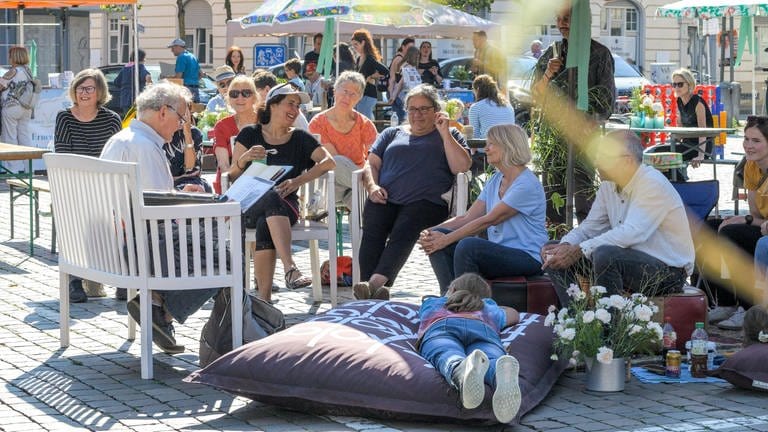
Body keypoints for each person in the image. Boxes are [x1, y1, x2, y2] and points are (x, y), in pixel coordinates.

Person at [100, 82, 214, 354]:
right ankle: (162, 312)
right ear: (164, 112)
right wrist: (197, 205)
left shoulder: (123, 139)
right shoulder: (146, 147)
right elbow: (160, 214)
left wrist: (178, 193)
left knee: (206, 241)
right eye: (181, 117)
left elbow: (149, 199)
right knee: (223, 255)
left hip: (107, 244)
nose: (181, 125)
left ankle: (156, 303)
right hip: (136, 248)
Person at [541, 131, 694, 307]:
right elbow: (590, 227)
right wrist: (566, 245)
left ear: (627, 160)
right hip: (628, 262)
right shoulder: (609, 185)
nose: (597, 162)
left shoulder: (652, 183)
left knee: (605, 254)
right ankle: (573, 320)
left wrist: (579, 249)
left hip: (668, 273)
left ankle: (609, 329)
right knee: (551, 251)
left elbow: (631, 233)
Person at [353, 84, 472, 301]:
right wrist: (372, 186)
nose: (417, 115)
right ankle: (375, 292)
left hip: (427, 202)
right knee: (373, 225)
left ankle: (372, 285)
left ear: (436, 110)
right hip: (386, 197)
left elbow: (461, 167)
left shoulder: (450, 133)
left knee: (405, 228)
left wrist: (444, 133)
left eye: (424, 109)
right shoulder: (391, 133)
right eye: (412, 109)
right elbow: (371, 164)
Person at [227, 83, 335, 303]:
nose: (296, 110)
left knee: (267, 212)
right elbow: (232, 175)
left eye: (298, 106)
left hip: (286, 207)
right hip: (249, 205)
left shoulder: (300, 138)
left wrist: (298, 180)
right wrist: (244, 158)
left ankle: (264, 302)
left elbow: (329, 162)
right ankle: (290, 267)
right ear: (273, 105)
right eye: (291, 104)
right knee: (268, 196)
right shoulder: (250, 133)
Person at [419, 124, 546, 295]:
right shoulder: (495, 179)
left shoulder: (526, 184)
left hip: (528, 256)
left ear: (508, 146)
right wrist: (430, 233)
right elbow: (467, 218)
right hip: (501, 252)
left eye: (491, 144)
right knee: (440, 237)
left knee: (468, 246)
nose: (485, 149)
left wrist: (445, 239)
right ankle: (448, 297)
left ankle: (467, 303)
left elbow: (489, 220)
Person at [531, 3, 615, 224]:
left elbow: (606, 103)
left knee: (585, 197)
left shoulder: (599, 54)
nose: (561, 24)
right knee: (553, 198)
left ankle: (583, 251)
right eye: (558, 19)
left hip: (584, 138)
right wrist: (549, 72)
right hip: (553, 138)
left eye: (567, 18)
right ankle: (555, 248)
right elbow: (535, 95)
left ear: (581, 21)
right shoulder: (552, 53)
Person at [54, 68, 123, 303]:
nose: (84, 93)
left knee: (120, 223)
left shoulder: (111, 119)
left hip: (104, 185)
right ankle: (74, 280)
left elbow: (117, 155)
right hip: (74, 184)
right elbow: (63, 155)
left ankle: (122, 279)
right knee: (73, 222)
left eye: (89, 88)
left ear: (99, 92)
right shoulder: (64, 117)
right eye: (80, 88)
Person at [417, 273, 521, 424]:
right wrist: (493, 305)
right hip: (483, 329)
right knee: (489, 357)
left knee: (446, 352)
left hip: (443, 326)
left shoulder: (434, 302)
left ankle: (461, 368)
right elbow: (514, 315)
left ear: (452, 289)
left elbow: (421, 313)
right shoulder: (488, 307)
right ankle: (498, 371)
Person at [702, 115, 768, 330]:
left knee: (733, 234)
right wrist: (747, 219)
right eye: (746, 139)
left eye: (756, 141)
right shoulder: (751, 166)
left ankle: (748, 309)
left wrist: (748, 220)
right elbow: (756, 214)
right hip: (763, 226)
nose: (749, 146)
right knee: (711, 228)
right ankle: (725, 303)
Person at [308, 71, 377, 208]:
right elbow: (331, 161)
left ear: (360, 98)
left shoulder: (365, 124)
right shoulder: (318, 123)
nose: (347, 97)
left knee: (364, 208)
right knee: (337, 162)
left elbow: (374, 158)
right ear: (334, 90)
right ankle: (366, 188)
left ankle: (364, 192)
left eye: (353, 94)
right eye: (345, 91)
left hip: (354, 183)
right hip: (329, 181)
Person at [211, 75, 259, 194]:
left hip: (260, 182)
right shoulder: (222, 126)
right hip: (229, 184)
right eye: (234, 94)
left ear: (254, 97)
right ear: (229, 99)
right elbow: (224, 166)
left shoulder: (265, 122)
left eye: (246, 93)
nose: (240, 98)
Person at [669, 68, 713, 180]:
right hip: (687, 144)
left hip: (700, 146)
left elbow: (703, 130)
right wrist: (673, 136)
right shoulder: (679, 101)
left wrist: (701, 154)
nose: (676, 88)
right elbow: (681, 127)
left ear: (689, 84)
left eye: (680, 84)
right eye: (674, 85)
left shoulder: (697, 102)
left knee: (664, 157)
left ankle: (680, 182)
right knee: (656, 153)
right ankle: (679, 181)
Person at [0, 45, 34, 172]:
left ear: (14, 57)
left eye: (10, 56)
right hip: (26, 108)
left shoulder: (13, 71)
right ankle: (29, 170)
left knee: (10, 138)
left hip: (11, 107)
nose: (9, 59)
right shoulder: (28, 71)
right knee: (25, 137)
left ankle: (13, 171)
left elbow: (1, 85)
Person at [164, 112, 211, 193]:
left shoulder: (194, 133)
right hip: (166, 185)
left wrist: (188, 134)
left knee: (200, 188)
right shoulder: (158, 132)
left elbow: (191, 169)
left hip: (189, 181)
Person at [351, 29, 388, 120]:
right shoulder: (359, 58)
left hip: (368, 95)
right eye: (353, 45)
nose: (354, 47)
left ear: (363, 43)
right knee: (362, 122)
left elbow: (385, 70)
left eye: (356, 44)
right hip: (361, 95)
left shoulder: (369, 58)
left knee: (364, 123)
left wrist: (371, 76)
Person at [468, 75, 515, 139]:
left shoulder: (476, 107)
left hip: (489, 147)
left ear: (478, 89)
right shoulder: (508, 105)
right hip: (509, 146)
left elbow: (475, 136)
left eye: (473, 89)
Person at [113, 48, 152, 117]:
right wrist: (150, 85)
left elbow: (116, 82)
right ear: (142, 58)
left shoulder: (125, 68)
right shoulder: (140, 66)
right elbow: (146, 76)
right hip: (136, 98)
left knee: (128, 120)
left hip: (124, 99)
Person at [390, 46, 422, 125]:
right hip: (404, 97)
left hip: (403, 96)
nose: (418, 58)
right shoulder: (406, 67)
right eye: (416, 56)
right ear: (412, 55)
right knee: (404, 120)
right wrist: (393, 96)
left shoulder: (406, 66)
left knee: (401, 120)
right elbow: (400, 83)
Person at [168, 38, 202, 103]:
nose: (171, 50)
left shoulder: (181, 57)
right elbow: (201, 74)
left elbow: (178, 77)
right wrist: (193, 80)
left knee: (184, 111)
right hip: (196, 89)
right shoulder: (193, 56)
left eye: (172, 48)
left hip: (186, 89)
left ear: (178, 47)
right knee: (195, 111)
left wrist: (166, 79)